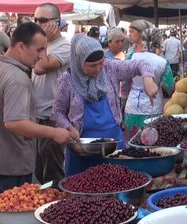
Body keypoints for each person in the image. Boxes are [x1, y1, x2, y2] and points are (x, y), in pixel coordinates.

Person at [0, 22, 76, 195]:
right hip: (13, 163)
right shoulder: (17, 78)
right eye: (39, 50)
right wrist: (54, 133)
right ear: (21, 46)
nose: (41, 56)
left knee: (2, 211)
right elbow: (14, 123)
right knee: (13, 217)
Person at [52, 34, 158, 176]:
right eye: (92, 65)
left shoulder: (109, 68)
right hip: (81, 149)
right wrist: (69, 127)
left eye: (100, 63)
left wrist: (148, 80)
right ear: (78, 61)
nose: (98, 69)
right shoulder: (67, 80)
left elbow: (141, 64)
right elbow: (57, 112)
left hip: (113, 145)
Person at [32, 3, 71, 184]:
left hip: (53, 117)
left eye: (43, 20)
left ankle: (56, 208)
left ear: (57, 22)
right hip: (37, 116)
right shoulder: (39, 45)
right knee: (40, 172)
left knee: (53, 174)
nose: (38, 24)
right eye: (36, 20)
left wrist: (43, 42)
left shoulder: (66, 46)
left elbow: (41, 68)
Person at [124, 28, 174, 133]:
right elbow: (170, 88)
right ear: (159, 42)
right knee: (151, 144)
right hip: (153, 108)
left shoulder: (130, 57)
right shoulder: (163, 62)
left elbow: (125, 84)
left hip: (132, 106)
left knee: (132, 145)